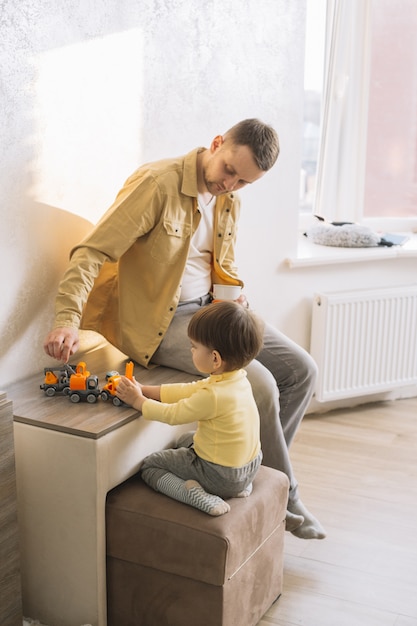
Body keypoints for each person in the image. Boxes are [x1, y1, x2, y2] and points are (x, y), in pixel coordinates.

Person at [43, 118, 325, 539]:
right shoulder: (156, 184)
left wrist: (235, 295)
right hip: (163, 324)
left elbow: (220, 264)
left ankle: (251, 473)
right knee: (260, 384)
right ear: (216, 143)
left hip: (214, 311)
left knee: (302, 370)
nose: (231, 185)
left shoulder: (230, 200)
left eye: (244, 182)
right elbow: (92, 251)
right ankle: (287, 496)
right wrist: (66, 319)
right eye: (230, 171)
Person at [116, 300, 264, 516]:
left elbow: (172, 415)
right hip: (249, 467)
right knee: (185, 439)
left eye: (194, 346)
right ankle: (239, 486)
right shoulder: (237, 379)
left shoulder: (212, 396)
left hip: (222, 476)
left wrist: (137, 401)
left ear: (215, 358)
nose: (191, 349)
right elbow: (189, 389)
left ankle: (196, 495)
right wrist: (144, 389)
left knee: (151, 465)